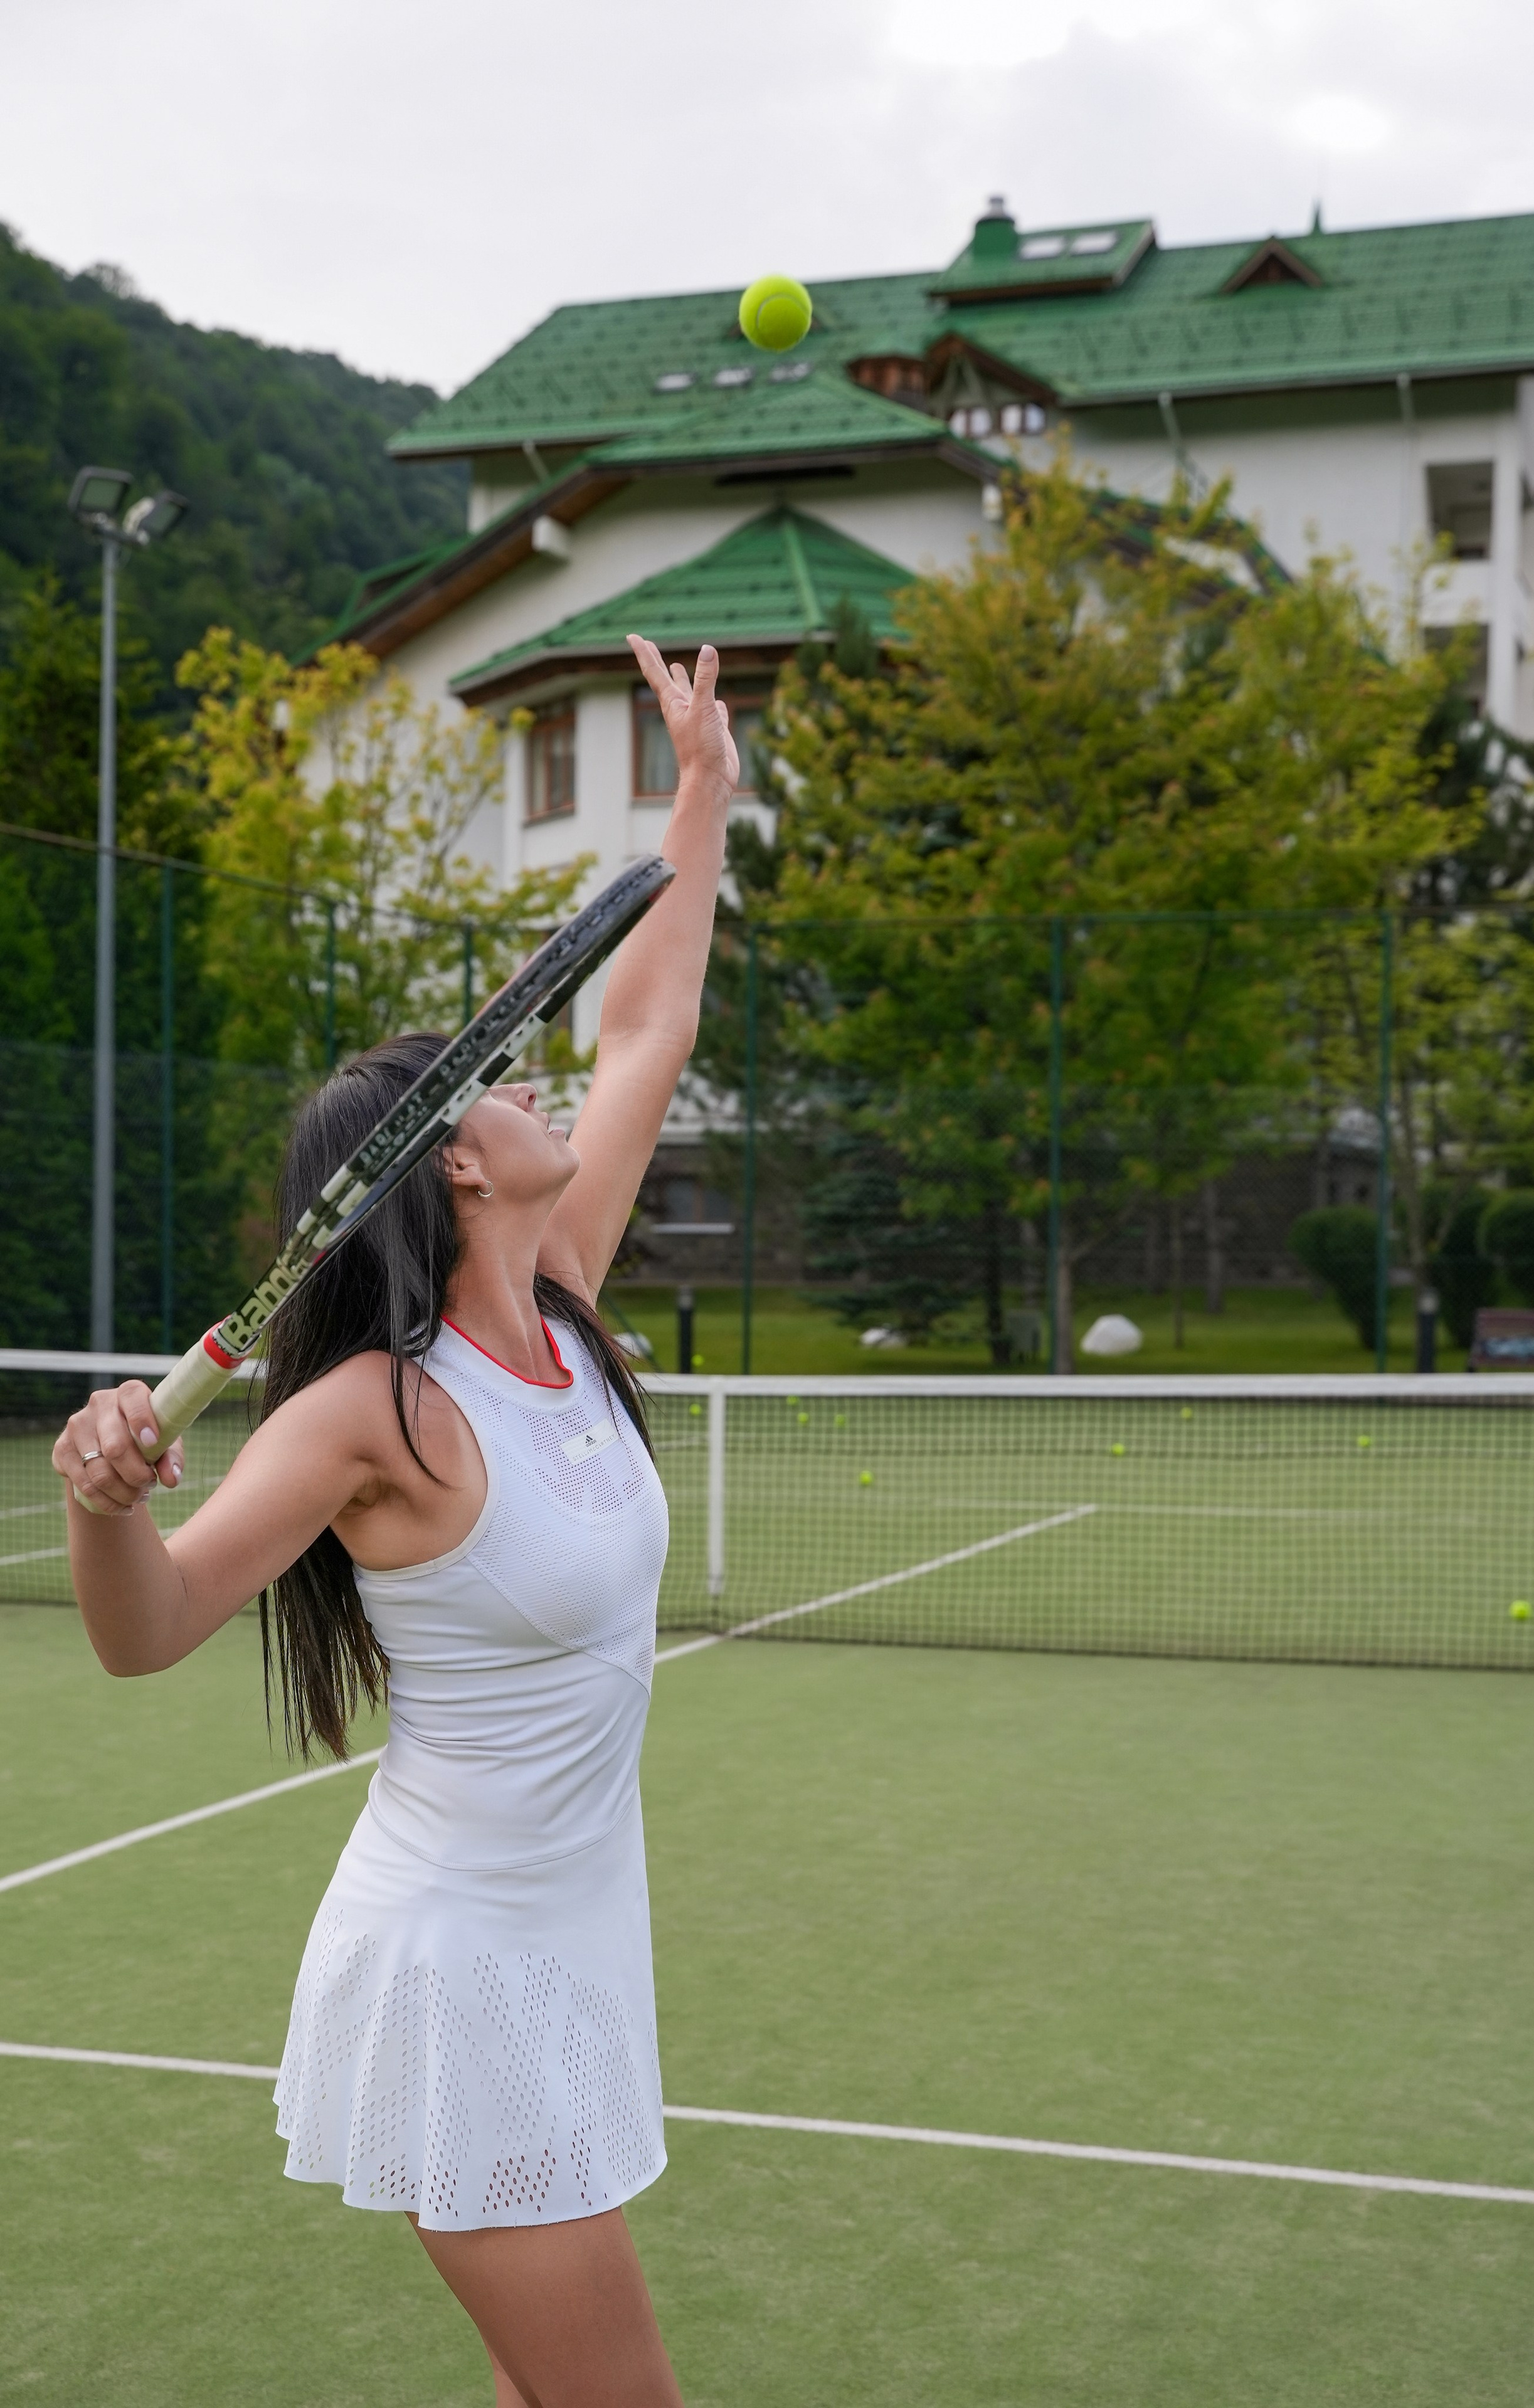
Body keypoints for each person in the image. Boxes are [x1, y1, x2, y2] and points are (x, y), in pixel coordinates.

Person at [53, 635, 737, 2408]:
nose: (543, 1093)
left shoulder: (565, 1292)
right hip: (464, 1974)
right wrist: (100, 1503)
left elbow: (647, 1017)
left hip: (583, 1946)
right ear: (449, 1159)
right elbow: (149, 1627)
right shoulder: (378, 1413)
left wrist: (703, 796)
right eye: (505, 1083)